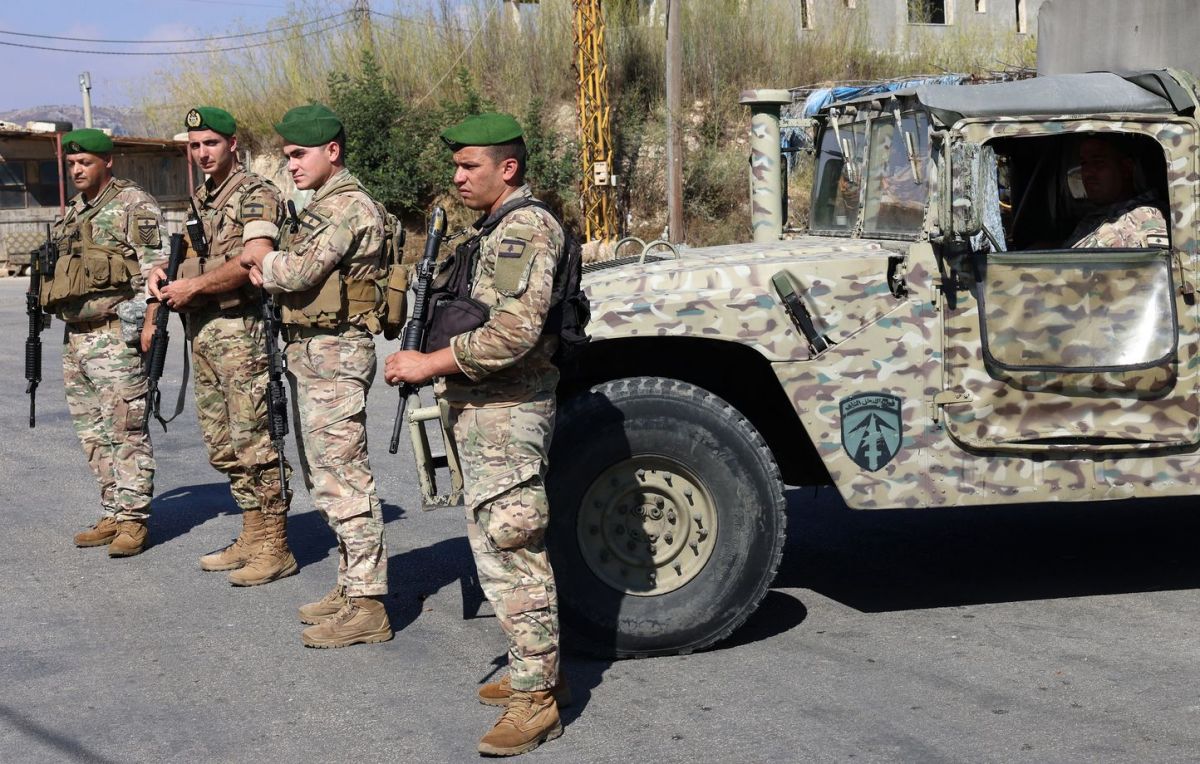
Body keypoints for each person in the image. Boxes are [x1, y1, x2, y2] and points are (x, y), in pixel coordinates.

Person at [384, 112, 568, 757]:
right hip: (484, 409)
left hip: (508, 412)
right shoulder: (493, 226)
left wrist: (428, 363)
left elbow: (514, 333)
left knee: (513, 550)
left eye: (470, 166)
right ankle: (535, 668)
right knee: (495, 544)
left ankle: (537, 699)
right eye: (456, 166)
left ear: (507, 168)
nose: (458, 177)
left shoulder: (524, 228)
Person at [238, 104, 392, 647]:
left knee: (343, 479)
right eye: (287, 156)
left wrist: (261, 258)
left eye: (299, 154)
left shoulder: (346, 206)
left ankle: (368, 604)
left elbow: (298, 271)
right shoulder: (323, 204)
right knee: (324, 476)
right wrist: (270, 263)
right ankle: (352, 586)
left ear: (333, 151)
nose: (292, 164)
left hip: (336, 354)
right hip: (315, 353)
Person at [147, 107, 295, 586]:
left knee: (256, 441)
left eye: (210, 143)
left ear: (233, 144)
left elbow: (253, 257)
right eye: (195, 145)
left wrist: (194, 286)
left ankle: (276, 544)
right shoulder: (203, 198)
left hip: (242, 332)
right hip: (205, 332)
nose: (202, 153)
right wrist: (165, 274)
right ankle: (252, 533)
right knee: (223, 443)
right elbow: (196, 253)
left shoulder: (255, 194)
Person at [47, 128, 165, 557]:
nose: (77, 170)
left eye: (85, 162)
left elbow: (157, 271)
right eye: (72, 164)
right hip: (76, 339)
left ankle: (134, 520)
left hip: (115, 336)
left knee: (125, 429)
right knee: (92, 433)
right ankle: (113, 510)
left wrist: (148, 324)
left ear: (107, 162)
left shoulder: (133, 204)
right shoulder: (75, 211)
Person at [1065, 134, 1168, 248]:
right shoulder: (1098, 216)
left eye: (1098, 162)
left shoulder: (1143, 219)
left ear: (1126, 168)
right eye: (1084, 163)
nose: (1087, 173)